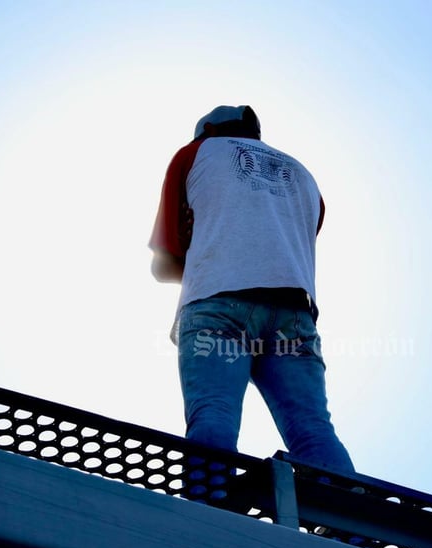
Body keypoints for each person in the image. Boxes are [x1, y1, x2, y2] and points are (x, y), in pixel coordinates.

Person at [148, 105, 354, 475]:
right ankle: (351, 528)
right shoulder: (304, 175)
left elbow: (164, 263)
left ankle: (209, 512)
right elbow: (295, 238)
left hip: (217, 306)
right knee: (313, 430)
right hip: (294, 312)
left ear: (208, 130)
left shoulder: (195, 154)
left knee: (213, 411)